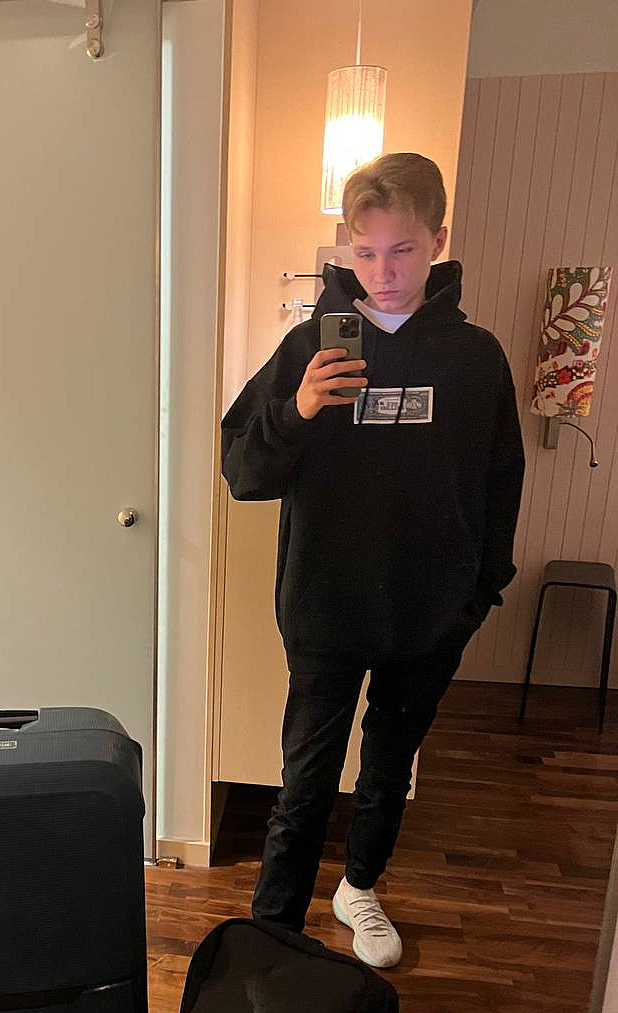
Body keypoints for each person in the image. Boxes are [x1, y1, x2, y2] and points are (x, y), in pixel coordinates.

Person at [221, 152, 525, 969]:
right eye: (365, 252)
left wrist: (481, 591)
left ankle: (359, 888)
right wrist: (298, 408)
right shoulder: (308, 348)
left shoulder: (476, 359)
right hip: (325, 607)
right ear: (345, 248)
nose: (383, 273)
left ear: (438, 243)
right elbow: (243, 473)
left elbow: (502, 479)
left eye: (403, 251)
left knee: (389, 771)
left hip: (431, 614)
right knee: (305, 783)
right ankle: (274, 933)